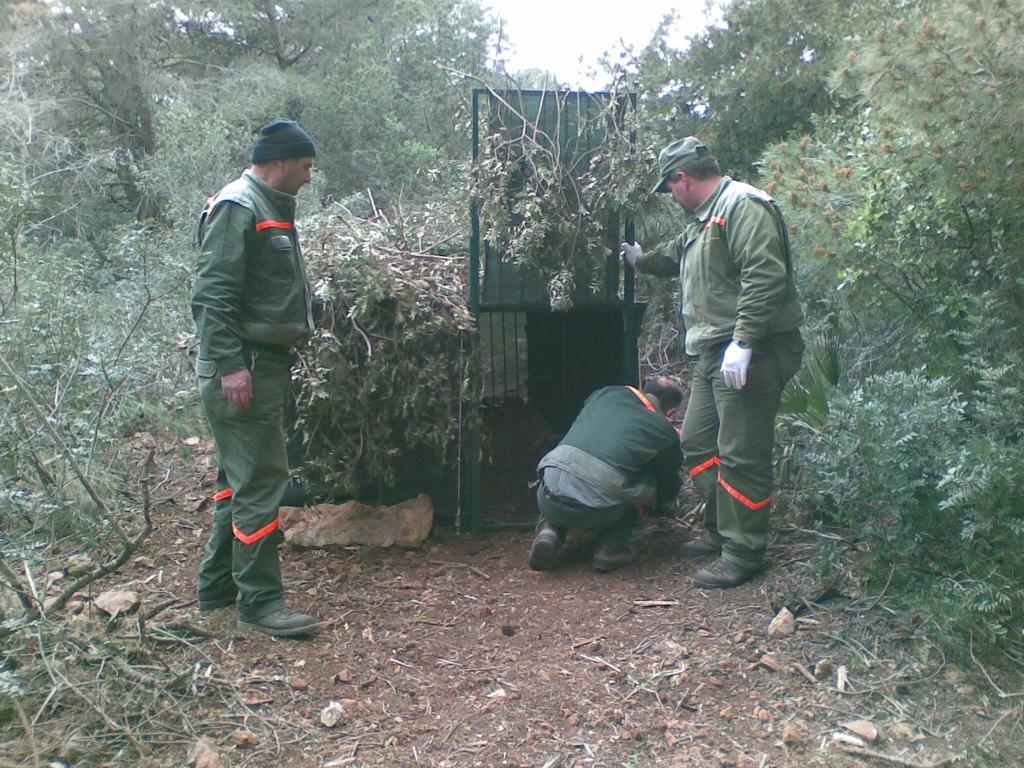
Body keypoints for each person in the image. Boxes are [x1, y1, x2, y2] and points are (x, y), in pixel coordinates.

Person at [620, 137, 804, 589]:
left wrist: (744, 341)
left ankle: (743, 552)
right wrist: (638, 259)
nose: (671, 196)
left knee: (742, 454)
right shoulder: (704, 221)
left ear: (682, 178)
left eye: (669, 187)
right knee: (698, 444)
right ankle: (724, 529)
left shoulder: (742, 206)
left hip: (751, 351)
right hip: (710, 353)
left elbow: (765, 276)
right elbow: (672, 258)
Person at [191, 119, 319, 637]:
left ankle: (218, 588)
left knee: (235, 481)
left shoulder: (268, 209)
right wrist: (231, 366)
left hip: (260, 363)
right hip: (246, 368)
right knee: (263, 483)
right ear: (282, 161)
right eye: (306, 167)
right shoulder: (239, 206)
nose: (310, 178)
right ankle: (260, 604)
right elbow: (211, 295)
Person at [529, 378, 684, 572]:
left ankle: (549, 530)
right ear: (671, 413)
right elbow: (668, 483)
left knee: (567, 473)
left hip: (548, 494)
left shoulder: (604, 393)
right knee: (649, 477)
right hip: (599, 513)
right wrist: (663, 504)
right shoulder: (664, 430)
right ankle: (613, 548)